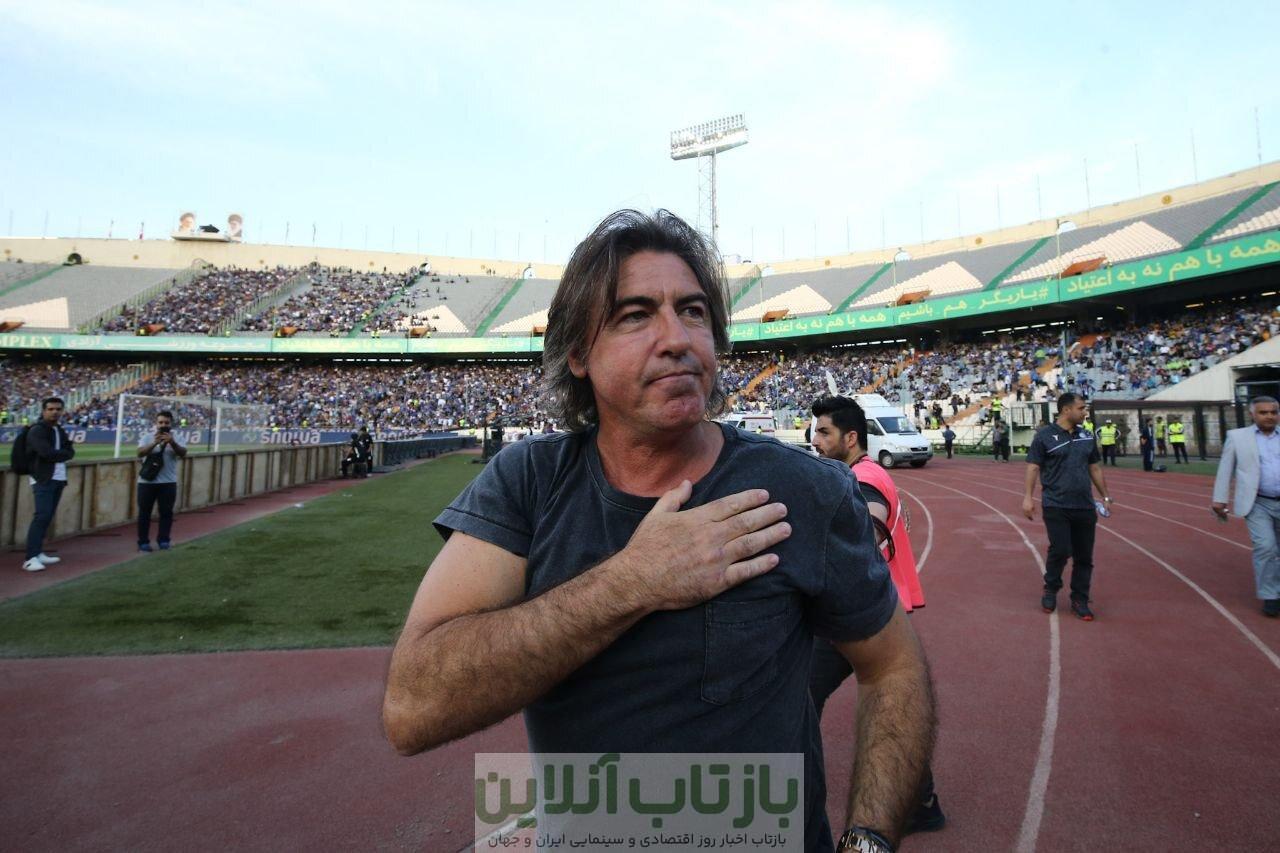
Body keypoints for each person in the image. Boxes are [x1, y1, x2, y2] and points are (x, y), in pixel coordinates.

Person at [383, 209, 935, 853]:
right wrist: (632, 582)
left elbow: (894, 667)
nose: (677, 338)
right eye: (635, 315)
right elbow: (412, 709)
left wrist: (868, 841)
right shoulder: (527, 481)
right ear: (578, 354)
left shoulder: (805, 488)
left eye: (693, 311)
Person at [809, 395, 943, 834]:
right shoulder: (863, 473)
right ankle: (922, 801)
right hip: (877, 609)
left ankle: (798, 799)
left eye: (824, 432)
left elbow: (866, 530)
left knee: (799, 694)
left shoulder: (864, 479)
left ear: (851, 438)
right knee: (888, 701)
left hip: (858, 613)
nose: (815, 440)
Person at [1023, 393, 1114, 621]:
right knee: (1061, 549)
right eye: (1081, 408)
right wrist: (1028, 497)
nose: (1085, 412)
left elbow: (1094, 468)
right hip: (1056, 503)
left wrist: (1105, 495)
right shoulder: (1044, 436)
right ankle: (1051, 587)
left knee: (1084, 556)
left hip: (1084, 505)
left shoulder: (1086, 436)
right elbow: (1033, 467)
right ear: (1066, 410)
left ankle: (1080, 598)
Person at [1212, 396, 1280, 618]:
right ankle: (1270, 595)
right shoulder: (1238, 437)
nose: (1269, 416)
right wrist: (1219, 498)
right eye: (1263, 412)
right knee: (1266, 546)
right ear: (1252, 414)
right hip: (1257, 502)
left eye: (1273, 412)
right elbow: (1225, 469)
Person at [22, 397, 75, 572]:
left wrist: (61, 454)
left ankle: (38, 552)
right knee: (42, 516)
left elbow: (70, 451)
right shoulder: (37, 430)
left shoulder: (58, 430)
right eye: (51, 409)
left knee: (47, 516)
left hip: (58, 478)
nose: (55, 412)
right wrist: (62, 454)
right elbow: (46, 453)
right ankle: (30, 558)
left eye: (58, 409)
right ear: (44, 411)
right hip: (43, 478)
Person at [136, 410, 186, 552]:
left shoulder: (178, 438)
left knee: (166, 513)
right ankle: (143, 542)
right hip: (146, 482)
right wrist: (154, 443)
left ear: (171, 424)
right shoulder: (147, 437)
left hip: (168, 482)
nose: (163, 425)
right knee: (144, 513)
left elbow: (183, 453)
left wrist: (172, 442)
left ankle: (164, 540)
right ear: (156, 424)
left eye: (166, 423)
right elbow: (139, 453)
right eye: (161, 422)